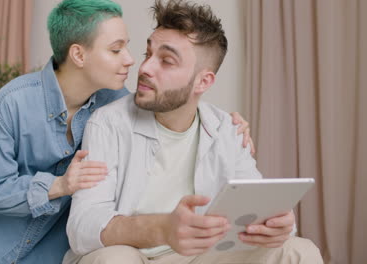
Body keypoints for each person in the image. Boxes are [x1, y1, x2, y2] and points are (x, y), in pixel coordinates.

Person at [0, 0, 252, 263]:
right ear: (79, 55)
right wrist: (59, 185)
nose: (133, 62)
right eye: (116, 50)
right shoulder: (10, 105)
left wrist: (227, 123)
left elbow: (170, 100)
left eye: (129, 48)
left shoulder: (116, 103)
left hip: (51, 250)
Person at [64, 1, 324, 263]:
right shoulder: (108, 123)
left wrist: (279, 226)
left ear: (204, 81)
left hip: (200, 257)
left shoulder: (227, 129)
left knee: (300, 251)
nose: (144, 68)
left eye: (166, 61)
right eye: (147, 54)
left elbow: (256, 206)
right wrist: (163, 229)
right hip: (135, 256)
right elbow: (82, 227)